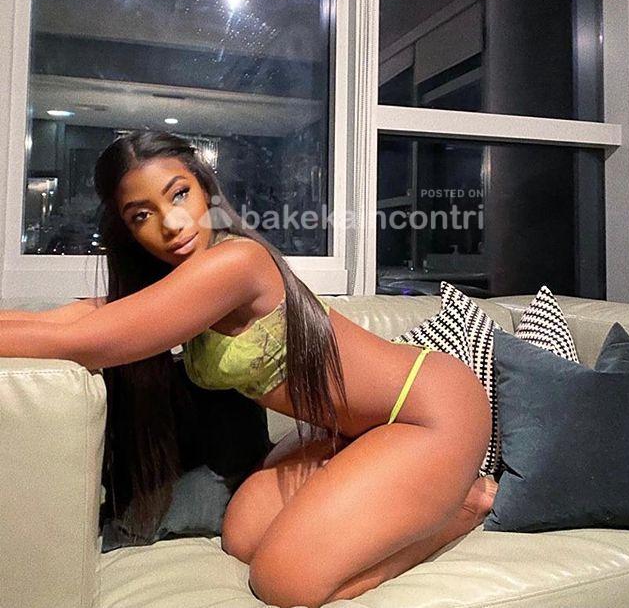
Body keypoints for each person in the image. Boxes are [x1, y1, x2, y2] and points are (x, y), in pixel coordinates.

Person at [0, 129, 497, 608]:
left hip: (430, 410)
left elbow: (85, 341)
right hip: (351, 431)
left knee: (284, 581)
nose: (171, 223)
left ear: (205, 188)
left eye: (179, 194)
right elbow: (69, 319)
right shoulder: (181, 279)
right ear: (127, 231)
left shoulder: (237, 262)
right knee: (241, 534)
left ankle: (462, 507)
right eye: (142, 215)